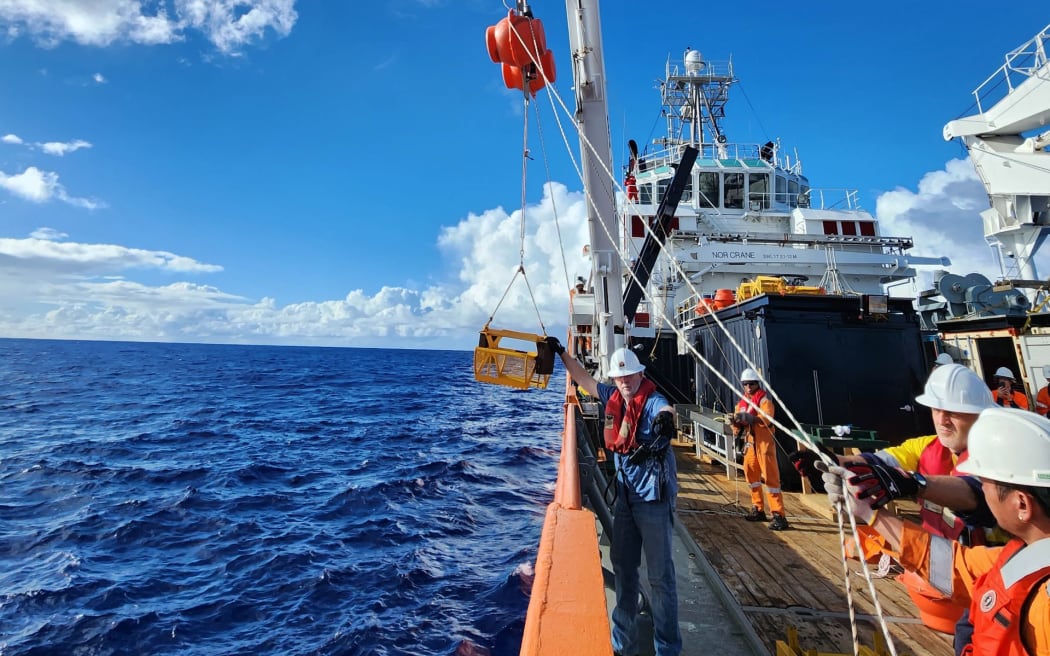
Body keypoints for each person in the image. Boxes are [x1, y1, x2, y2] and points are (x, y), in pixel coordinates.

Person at [820, 407, 1050, 656]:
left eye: (986, 483)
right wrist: (871, 513)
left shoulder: (1044, 604)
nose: (982, 490)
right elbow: (955, 568)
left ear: (1022, 505)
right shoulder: (1020, 553)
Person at [545, 337, 682, 656]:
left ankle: (668, 648)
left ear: (639, 375)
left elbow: (665, 408)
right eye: (619, 378)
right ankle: (624, 647)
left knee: (661, 578)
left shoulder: (651, 402)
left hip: (653, 500)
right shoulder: (612, 395)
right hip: (624, 498)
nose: (624, 382)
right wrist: (561, 353)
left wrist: (666, 420)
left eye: (629, 377)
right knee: (624, 569)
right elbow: (585, 380)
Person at [733, 368, 789, 530]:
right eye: (745, 384)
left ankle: (778, 515)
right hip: (750, 442)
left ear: (757, 384)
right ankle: (757, 508)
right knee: (751, 474)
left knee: (771, 478)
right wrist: (736, 422)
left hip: (764, 444)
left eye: (751, 384)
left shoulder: (765, 401)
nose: (748, 387)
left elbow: (767, 418)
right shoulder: (742, 403)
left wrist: (753, 418)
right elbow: (737, 419)